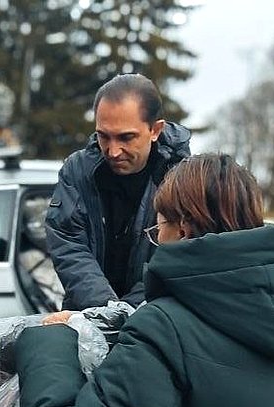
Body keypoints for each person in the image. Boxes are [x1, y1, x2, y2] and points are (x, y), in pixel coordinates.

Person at [16, 153, 274, 407]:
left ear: (182, 229)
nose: (155, 240)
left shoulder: (163, 328)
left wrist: (51, 342)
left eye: (158, 226)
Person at [46, 73, 191, 312]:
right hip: (87, 314)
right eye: (103, 136)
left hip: (155, 316)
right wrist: (105, 309)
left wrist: (125, 313)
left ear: (155, 130)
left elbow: (176, 258)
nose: (113, 151)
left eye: (126, 137)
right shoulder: (77, 170)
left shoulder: (184, 180)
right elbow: (68, 242)